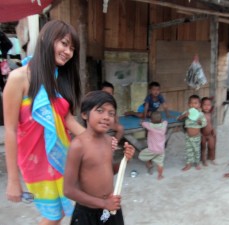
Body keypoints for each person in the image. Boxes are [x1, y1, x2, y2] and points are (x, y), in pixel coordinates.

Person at [3, 20, 86, 225]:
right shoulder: (18, 78)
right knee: (53, 215)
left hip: (62, 155)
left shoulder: (58, 78)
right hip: (36, 161)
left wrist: (95, 139)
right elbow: (11, 130)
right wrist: (13, 180)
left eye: (72, 48)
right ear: (46, 39)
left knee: (58, 215)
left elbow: (66, 118)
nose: (68, 52)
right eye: (64, 44)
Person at [63, 91, 135, 225]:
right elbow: (68, 190)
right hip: (87, 213)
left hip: (111, 208)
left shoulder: (109, 141)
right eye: (100, 111)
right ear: (84, 114)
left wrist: (125, 160)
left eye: (111, 113)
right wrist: (103, 203)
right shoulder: (78, 146)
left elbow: (107, 170)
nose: (107, 117)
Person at [177, 95, 207, 171]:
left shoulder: (200, 114)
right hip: (188, 136)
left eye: (195, 103)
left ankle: (197, 163)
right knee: (188, 151)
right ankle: (188, 164)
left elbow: (205, 123)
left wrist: (200, 122)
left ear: (199, 105)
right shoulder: (187, 112)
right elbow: (178, 119)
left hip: (196, 137)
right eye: (191, 103)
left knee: (196, 150)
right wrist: (184, 115)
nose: (193, 105)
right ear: (188, 104)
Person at [138, 111, 168, 180]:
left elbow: (142, 123)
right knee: (160, 164)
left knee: (142, 155)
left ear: (151, 120)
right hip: (161, 150)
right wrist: (162, 121)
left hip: (152, 150)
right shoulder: (164, 125)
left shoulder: (150, 125)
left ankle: (149, 164)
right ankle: (160, 175)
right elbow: (165, 121)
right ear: (161, 120)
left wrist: (142, 122)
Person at [200, 97, 216, 166]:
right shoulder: (200, 114)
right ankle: (203, 160)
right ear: (201, 106)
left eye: (208, 105)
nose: (207, 107)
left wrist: (213, 129)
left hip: (210, 134)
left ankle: (211, 158)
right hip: (202, 134)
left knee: (211, 147)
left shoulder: (210, 113)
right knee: (203, 148)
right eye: (204, 105)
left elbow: (211, 123)